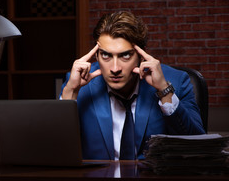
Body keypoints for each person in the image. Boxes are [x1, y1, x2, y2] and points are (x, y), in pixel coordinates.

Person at [61, 11, 205, 160]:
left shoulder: (176, 81)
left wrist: (164, 91)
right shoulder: (79, 85)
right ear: (96, 55)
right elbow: (58, 149)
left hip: (154, 180)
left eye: (125, 55)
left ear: (141, 56)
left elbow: (199, 147)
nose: (115, 68)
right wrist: (70, 92)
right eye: (106, 55)